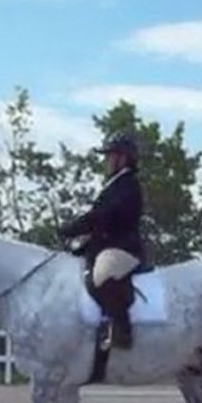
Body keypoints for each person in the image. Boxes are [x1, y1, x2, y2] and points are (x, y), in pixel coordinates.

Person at [57, 130, 147, 350]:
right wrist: (80, 246)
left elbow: (103, 217)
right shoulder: (113, 184)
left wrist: (72, 228)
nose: (106, 160)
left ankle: (122, 330)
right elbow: (100, 225)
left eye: (110, 155)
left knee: (101, 276)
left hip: (124, 249)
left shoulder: (128, 185)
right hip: (107, 247)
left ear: (123, 158)